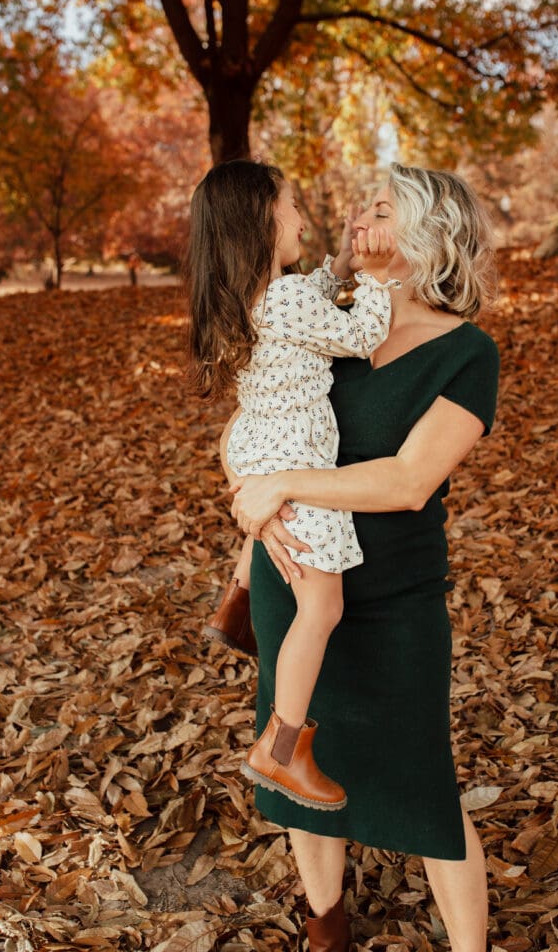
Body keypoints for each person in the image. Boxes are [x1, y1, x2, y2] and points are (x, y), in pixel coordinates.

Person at [225, 162, 500, 952]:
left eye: (380, 209)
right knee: (302, 763)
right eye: (358, 207)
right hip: (300, 574)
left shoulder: (465, 354)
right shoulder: (330, 319)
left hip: (395, 595)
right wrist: (249, 492)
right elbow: (244, 424)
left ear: (429, 235)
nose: (354, 219)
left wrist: (280, 481)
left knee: (421, 777)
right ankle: (327, 924)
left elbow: (409, 480)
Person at [185, 159, 399, 814]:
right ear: (261, 223)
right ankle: (281, 747)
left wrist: (337, 264)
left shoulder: (256, 293)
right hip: (295, 460)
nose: (304, 219)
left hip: (259, 440)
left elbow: (312, 295)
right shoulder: (281, 301)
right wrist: (377, 277)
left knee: (283, 560)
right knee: (322, 606)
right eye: (293, 209)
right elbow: (363, 333)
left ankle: (236, 604)